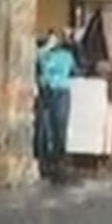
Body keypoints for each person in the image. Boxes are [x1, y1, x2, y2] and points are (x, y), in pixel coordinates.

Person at [33, 30, 77, 182]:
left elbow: (37, 64)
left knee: (47, 128)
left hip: (49, 91)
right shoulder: (66, 55)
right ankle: (57, 162)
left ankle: (49, 161)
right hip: (60, 92)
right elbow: (75, 70)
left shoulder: (45, 54)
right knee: (58, 127)